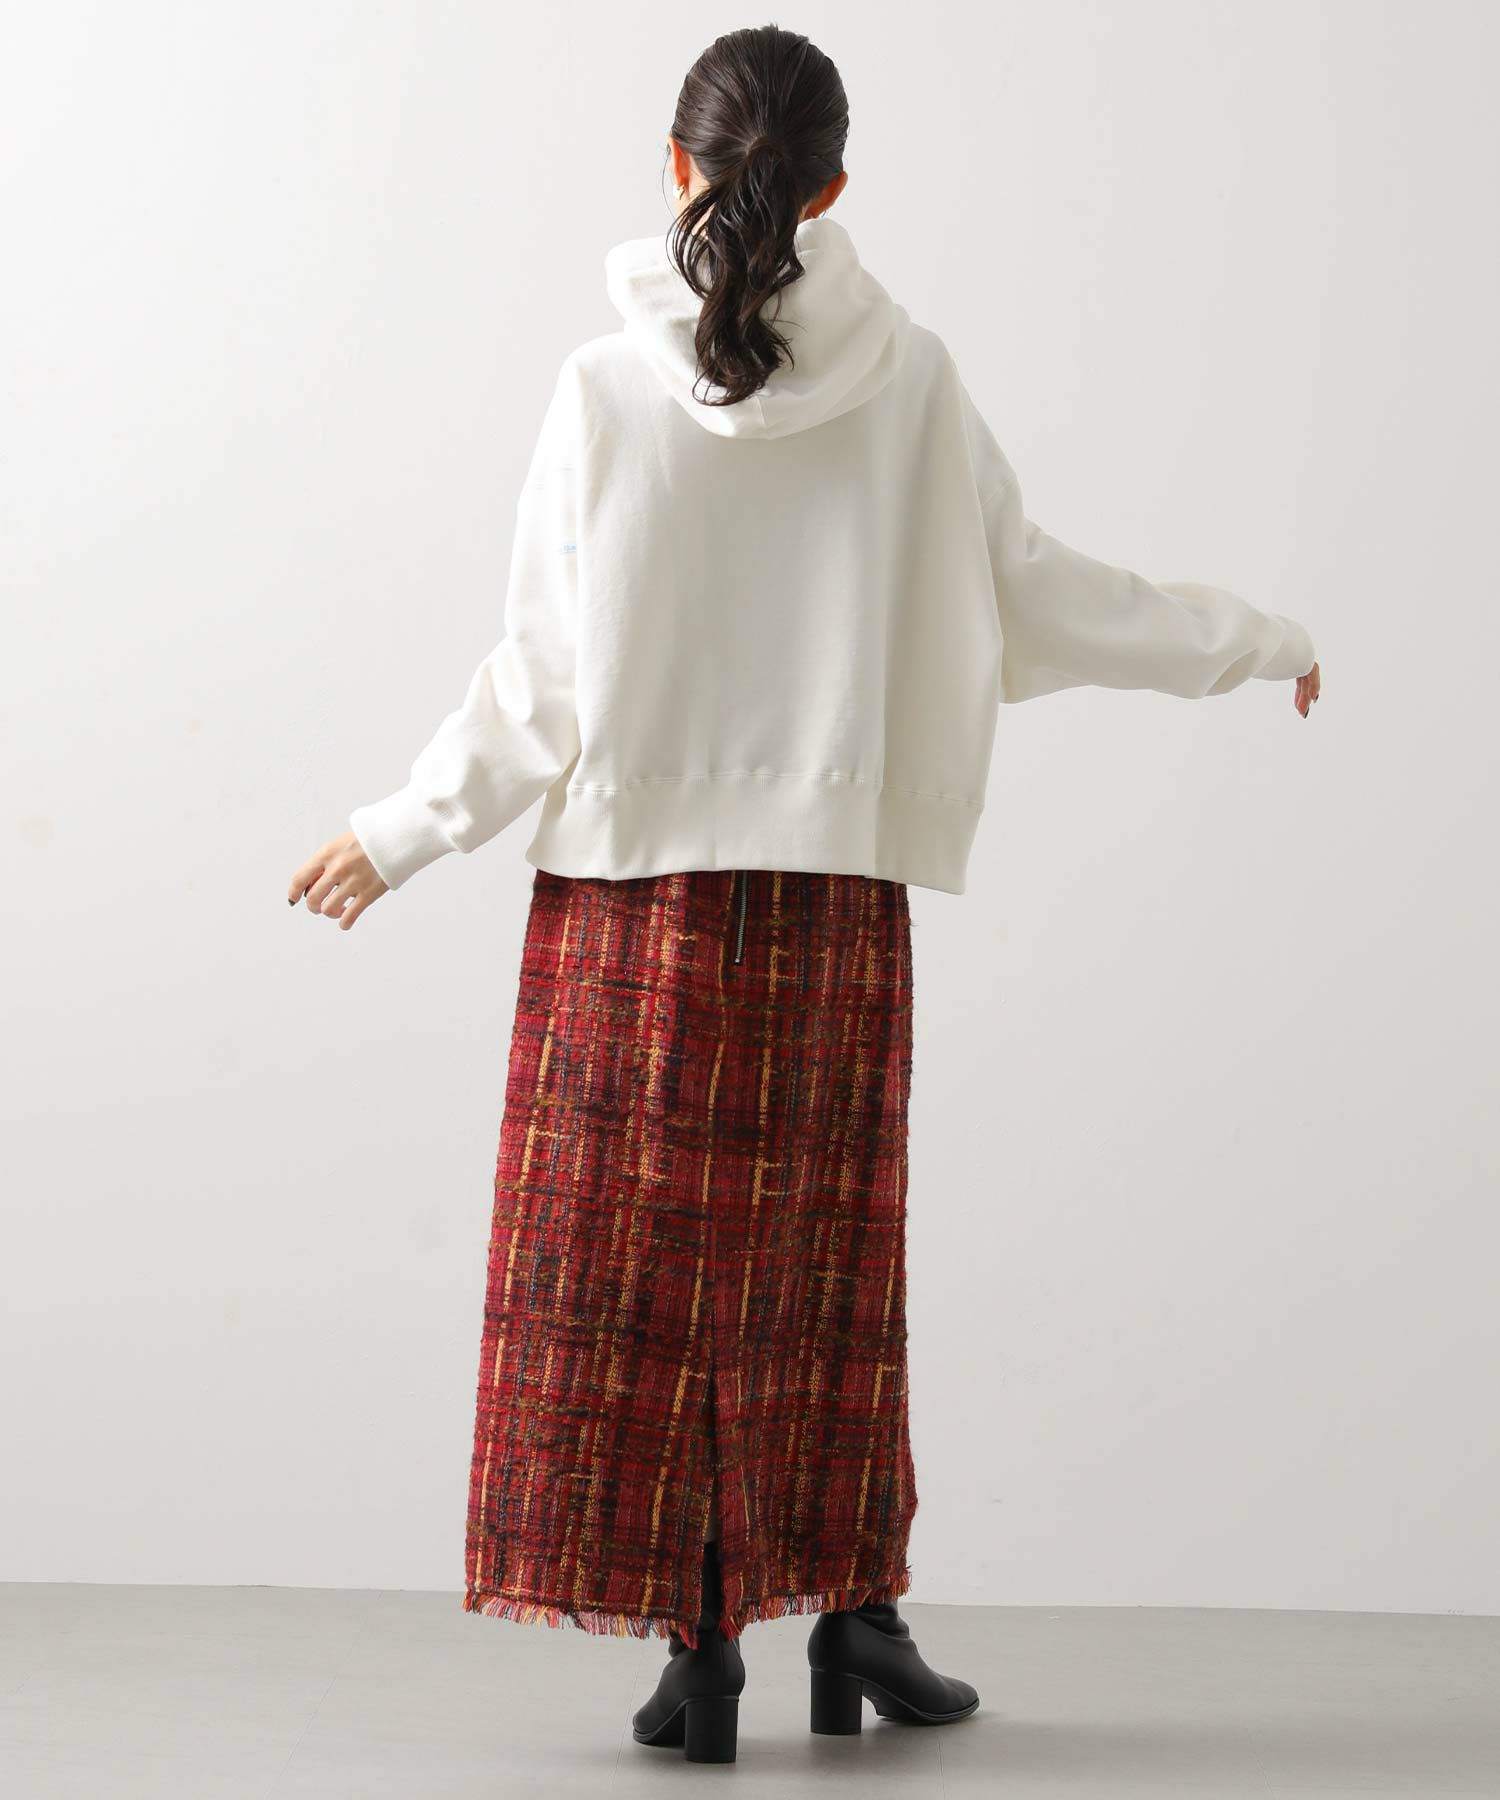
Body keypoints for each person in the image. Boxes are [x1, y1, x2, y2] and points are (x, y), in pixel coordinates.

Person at [288, 24, 1320, 1767]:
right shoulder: (908, 376)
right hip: (833, 902)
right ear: (834, 188)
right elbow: (1037, 597)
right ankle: (856, 1614)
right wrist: (1253, 640)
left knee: (637, 1280)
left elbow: (542, 681)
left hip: (631, 911)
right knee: (825, 1272)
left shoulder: (603, 387)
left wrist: (400, 831)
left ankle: (701, 1651)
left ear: (674, 163)